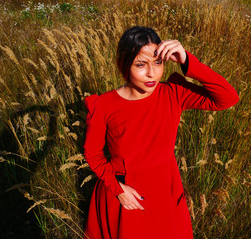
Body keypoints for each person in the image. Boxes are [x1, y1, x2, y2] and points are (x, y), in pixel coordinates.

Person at [83, 26, 239, 239]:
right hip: (126, 195)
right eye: (140, 64)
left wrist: (186, 60)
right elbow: (93, 154)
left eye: (158, 62)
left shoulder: (173, 93)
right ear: (124, 65)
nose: (151, 73)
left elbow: (227, 98)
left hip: (165, 190)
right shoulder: (104, 105)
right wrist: (118, 190)